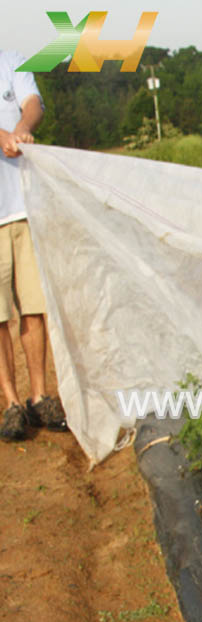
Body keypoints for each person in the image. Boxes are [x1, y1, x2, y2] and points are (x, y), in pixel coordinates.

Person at [0, 50, 66, 441]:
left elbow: (33, 104)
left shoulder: (13, 62)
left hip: (24, 208)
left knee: (34, 308)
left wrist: (23, 128)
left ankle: (38, 396)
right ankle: (10, 404)